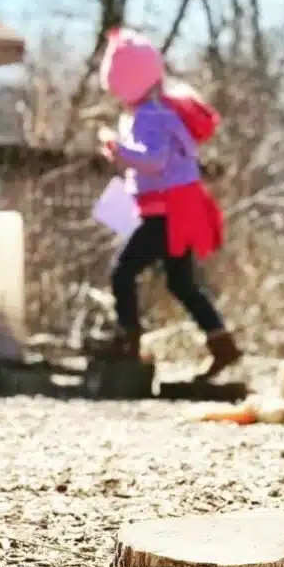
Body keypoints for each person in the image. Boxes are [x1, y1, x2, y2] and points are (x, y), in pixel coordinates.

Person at [97, 27, 241, 378]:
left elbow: (155, 159)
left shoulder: (151, 115)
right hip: (176, 208)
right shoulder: (157, 110)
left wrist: (120, 150)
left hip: (167, 213)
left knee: (123, 271)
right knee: (181, 283)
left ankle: (129, 338)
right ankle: (222, 344)